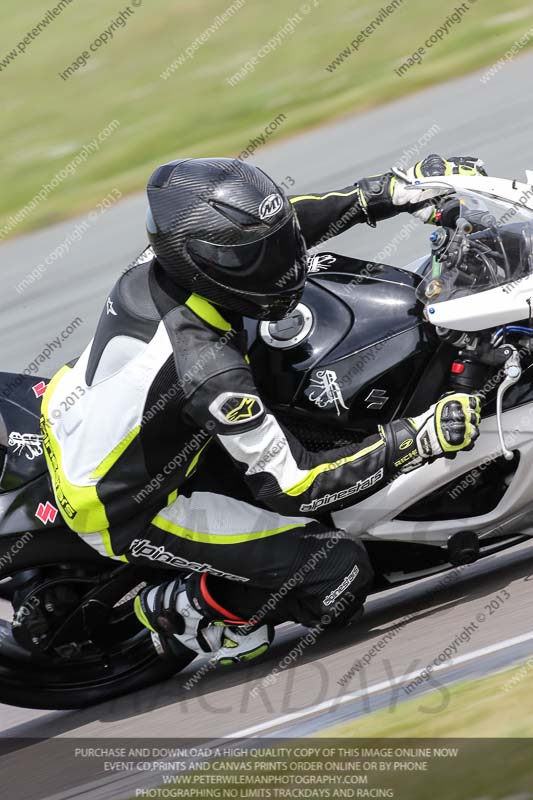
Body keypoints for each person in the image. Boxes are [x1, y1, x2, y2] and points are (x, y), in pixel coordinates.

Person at [40, 154, 483, 666]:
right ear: (203, 262)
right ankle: (191, 611)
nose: (282, 263)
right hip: (126, 504)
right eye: (255, 258)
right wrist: (416, 439)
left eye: (274, 247)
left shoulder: (173, 254)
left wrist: (383, 193)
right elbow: (294, 485)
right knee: (338, 569)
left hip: (95, 409)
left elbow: (279, 228)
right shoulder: (210, 371)